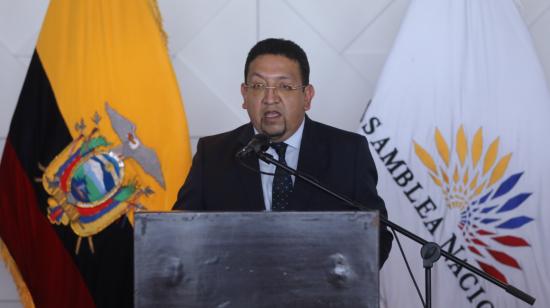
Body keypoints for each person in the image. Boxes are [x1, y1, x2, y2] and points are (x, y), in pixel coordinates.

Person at [173, 38, 393, 266]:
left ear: (307, 97)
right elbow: (180, 235)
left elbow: (376, 237)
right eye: (258, 86)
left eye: (284, 87)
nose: (270, 98)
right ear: (244, 95)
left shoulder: (348, 152)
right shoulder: (213, 154)